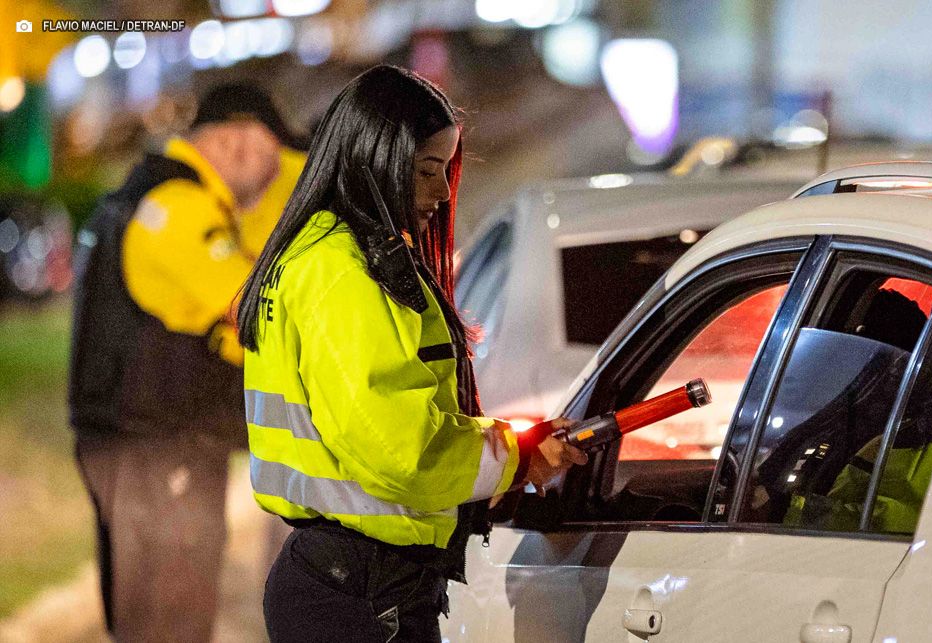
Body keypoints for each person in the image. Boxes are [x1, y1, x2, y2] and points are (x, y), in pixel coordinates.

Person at [237, 64, 587, 642]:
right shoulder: (341, 272)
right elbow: (403, 449)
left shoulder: (321, 253)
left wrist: (511, 450)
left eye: (446, 171)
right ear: (377, 159)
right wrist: (516, 458)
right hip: (363, 593)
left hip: (342, 581)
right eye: (427, 171)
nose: (441, 192)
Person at [69, 83, 297, 641]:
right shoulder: (178, 210)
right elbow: (252, 309)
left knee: (157, 612)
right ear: (237, 144)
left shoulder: (155, 195)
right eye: (274, 158)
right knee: (169, 619)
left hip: (148, 444)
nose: (277, 177)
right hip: (156, 445)